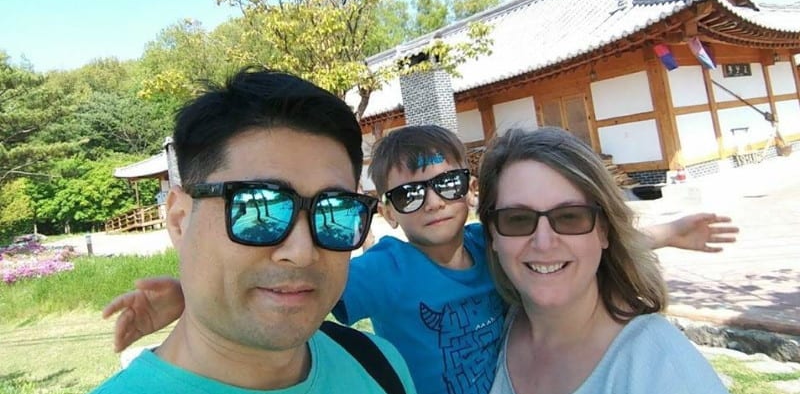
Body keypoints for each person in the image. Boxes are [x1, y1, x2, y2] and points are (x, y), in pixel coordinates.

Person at [103, 125, 737, 394]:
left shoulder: (501, 248)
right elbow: (293, 290)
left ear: (471, 194)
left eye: (447, 186)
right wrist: (187, 297)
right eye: (409, 193)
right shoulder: (383, 269)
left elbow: (567, 243)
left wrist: (670, 229)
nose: (432, 202)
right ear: (387, 211)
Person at [91, 68, 416, 394]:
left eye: (334, 211)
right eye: (260, 209)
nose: (302, 252)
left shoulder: (378, 363)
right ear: (179, 218)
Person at [477, 127, 729, 393]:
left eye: (570, 217)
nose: (543, 242)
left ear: (604, 230)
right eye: (517, 219)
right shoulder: (495, 325)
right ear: (492, 235)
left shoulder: (661, 369)